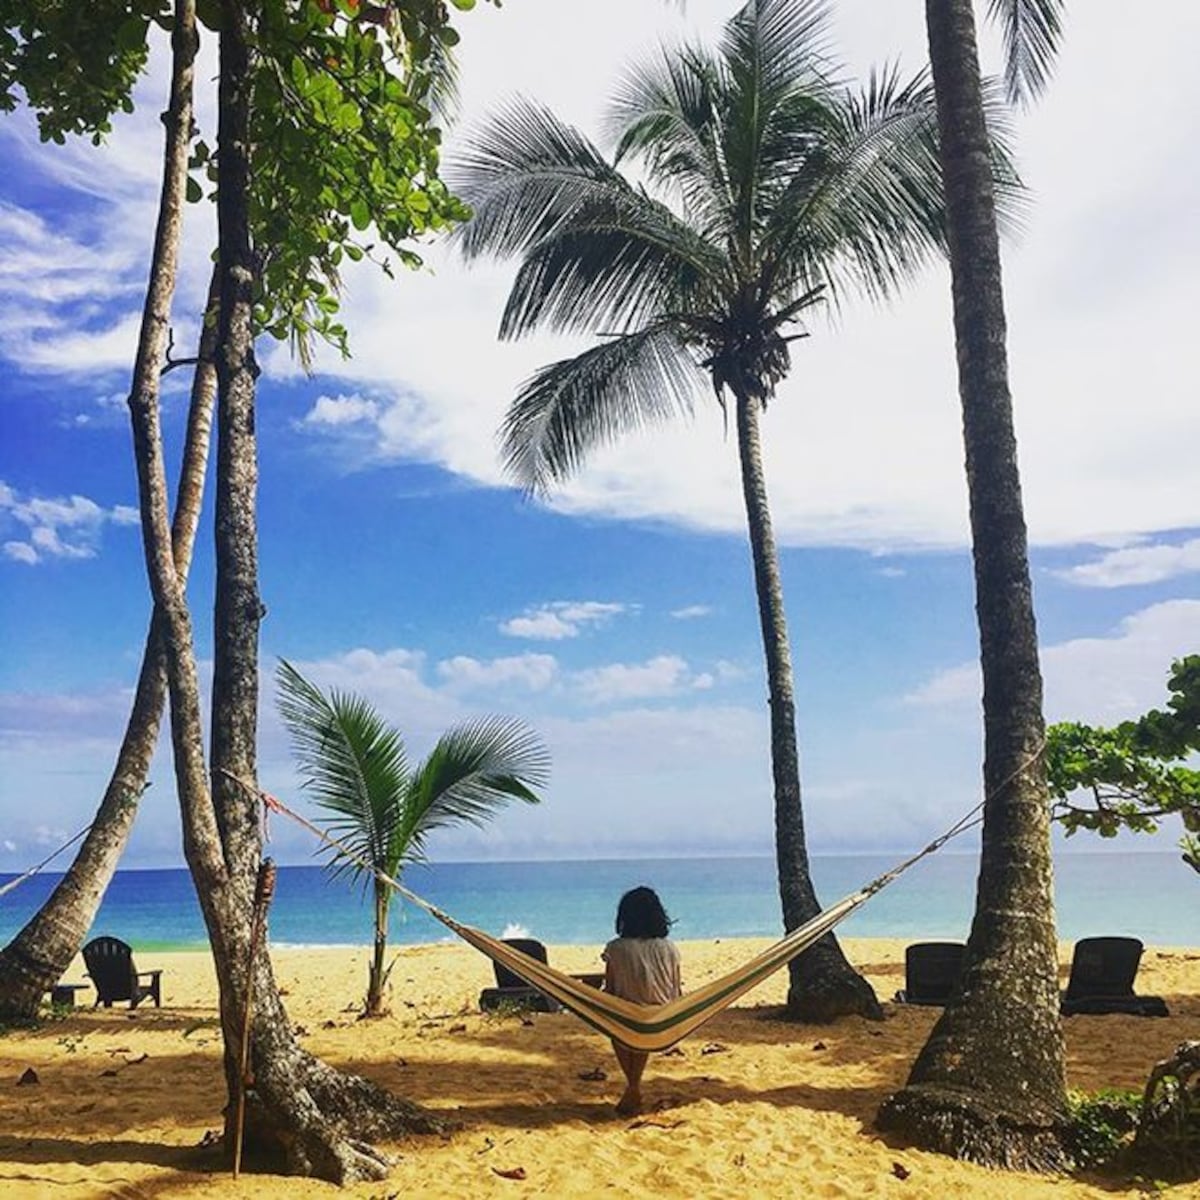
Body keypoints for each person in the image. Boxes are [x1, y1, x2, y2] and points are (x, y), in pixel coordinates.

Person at [602, 885, 682, 1116]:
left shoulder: (616, 948)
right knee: (641, 1028)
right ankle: (633, 1088)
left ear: (625, 917)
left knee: (621, 1029)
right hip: (663, 1015)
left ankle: (634, 1087)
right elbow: (676, 987)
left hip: (628, 1015)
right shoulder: (670, 948)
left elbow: (611, 989)